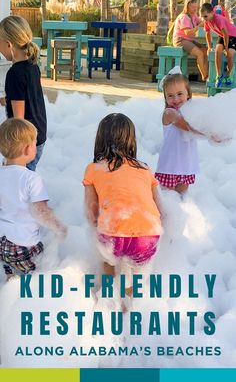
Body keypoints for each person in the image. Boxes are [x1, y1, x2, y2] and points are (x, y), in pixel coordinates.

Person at [83, 113, 162, 310]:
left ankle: (108, 297)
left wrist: (99, 225)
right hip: (148, 235)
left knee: (108, 260)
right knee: (137, 271)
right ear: (131, 140)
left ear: (100, 140)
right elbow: (158, 207)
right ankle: (130, 302)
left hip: (113, 236)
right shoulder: (145, 169)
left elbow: (91, 213)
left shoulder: (93, 169)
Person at [0, 118, 67, 280]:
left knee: (12, 273)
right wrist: (59, 227)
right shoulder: (31, 178)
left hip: (3, 244)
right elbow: (41, 211)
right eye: (35, 143)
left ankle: (9, 295)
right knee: (34, 278)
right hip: (24, 245)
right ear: (28, 149)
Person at [156, 69, 214, 195]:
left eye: (180, 94)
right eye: (170, 96)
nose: (175, 99)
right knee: (168, 202)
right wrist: (210, 134)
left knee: (182, 200)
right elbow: (188, 127)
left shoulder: (193, 114)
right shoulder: (169, 113)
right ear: (165, 98)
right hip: (169, 167)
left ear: (188, 94)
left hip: (186, 165)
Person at [0, 15, 47, 171]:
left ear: (8, 45)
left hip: (24, 143)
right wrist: (7, 99)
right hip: (37, 137)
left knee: (19, 182)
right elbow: (27, 98)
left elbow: (18, 120)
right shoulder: (32, 66)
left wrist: (12, 156)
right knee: (26, 179)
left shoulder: (14, 73)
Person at [200, 2, 236, 88]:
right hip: (223, 36)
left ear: (212, 12)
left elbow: (226, 34)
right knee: (217, 50)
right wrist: (209, 47)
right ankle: (219, 75)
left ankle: (227, 75)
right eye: (202, 17)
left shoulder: (218, 19)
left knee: (230, 54)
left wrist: (226, 49)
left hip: (233, 35)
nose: (204, 19)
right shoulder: (207, 21)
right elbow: (207, 34)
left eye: (205, 16)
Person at [173, 0, 208, 81]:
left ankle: (206, 74)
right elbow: (187, 33)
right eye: (193, 7)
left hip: (188, 40)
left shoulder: (193, 15)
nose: (195, 9)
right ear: (187, 6)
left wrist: (207, 19)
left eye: (196, 7)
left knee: (205, 50)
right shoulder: (184, 17)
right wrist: (199, 26)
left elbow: (202, 23)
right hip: (180, 39)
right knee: (199, 53)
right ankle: (205, 76)